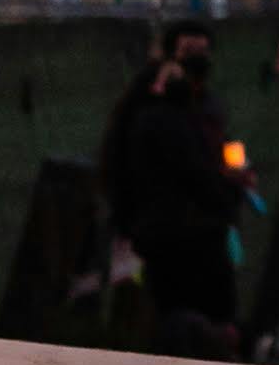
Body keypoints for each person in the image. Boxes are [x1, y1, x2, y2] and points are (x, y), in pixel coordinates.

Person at [97, 20, 243, 336]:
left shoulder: (205, 106)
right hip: (174, 233)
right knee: (189, 320)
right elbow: (191, 170)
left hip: (197, 230)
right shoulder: (157, 113)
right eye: (189, 51)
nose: (197, 60)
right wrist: (226, 195)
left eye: (203, 51)